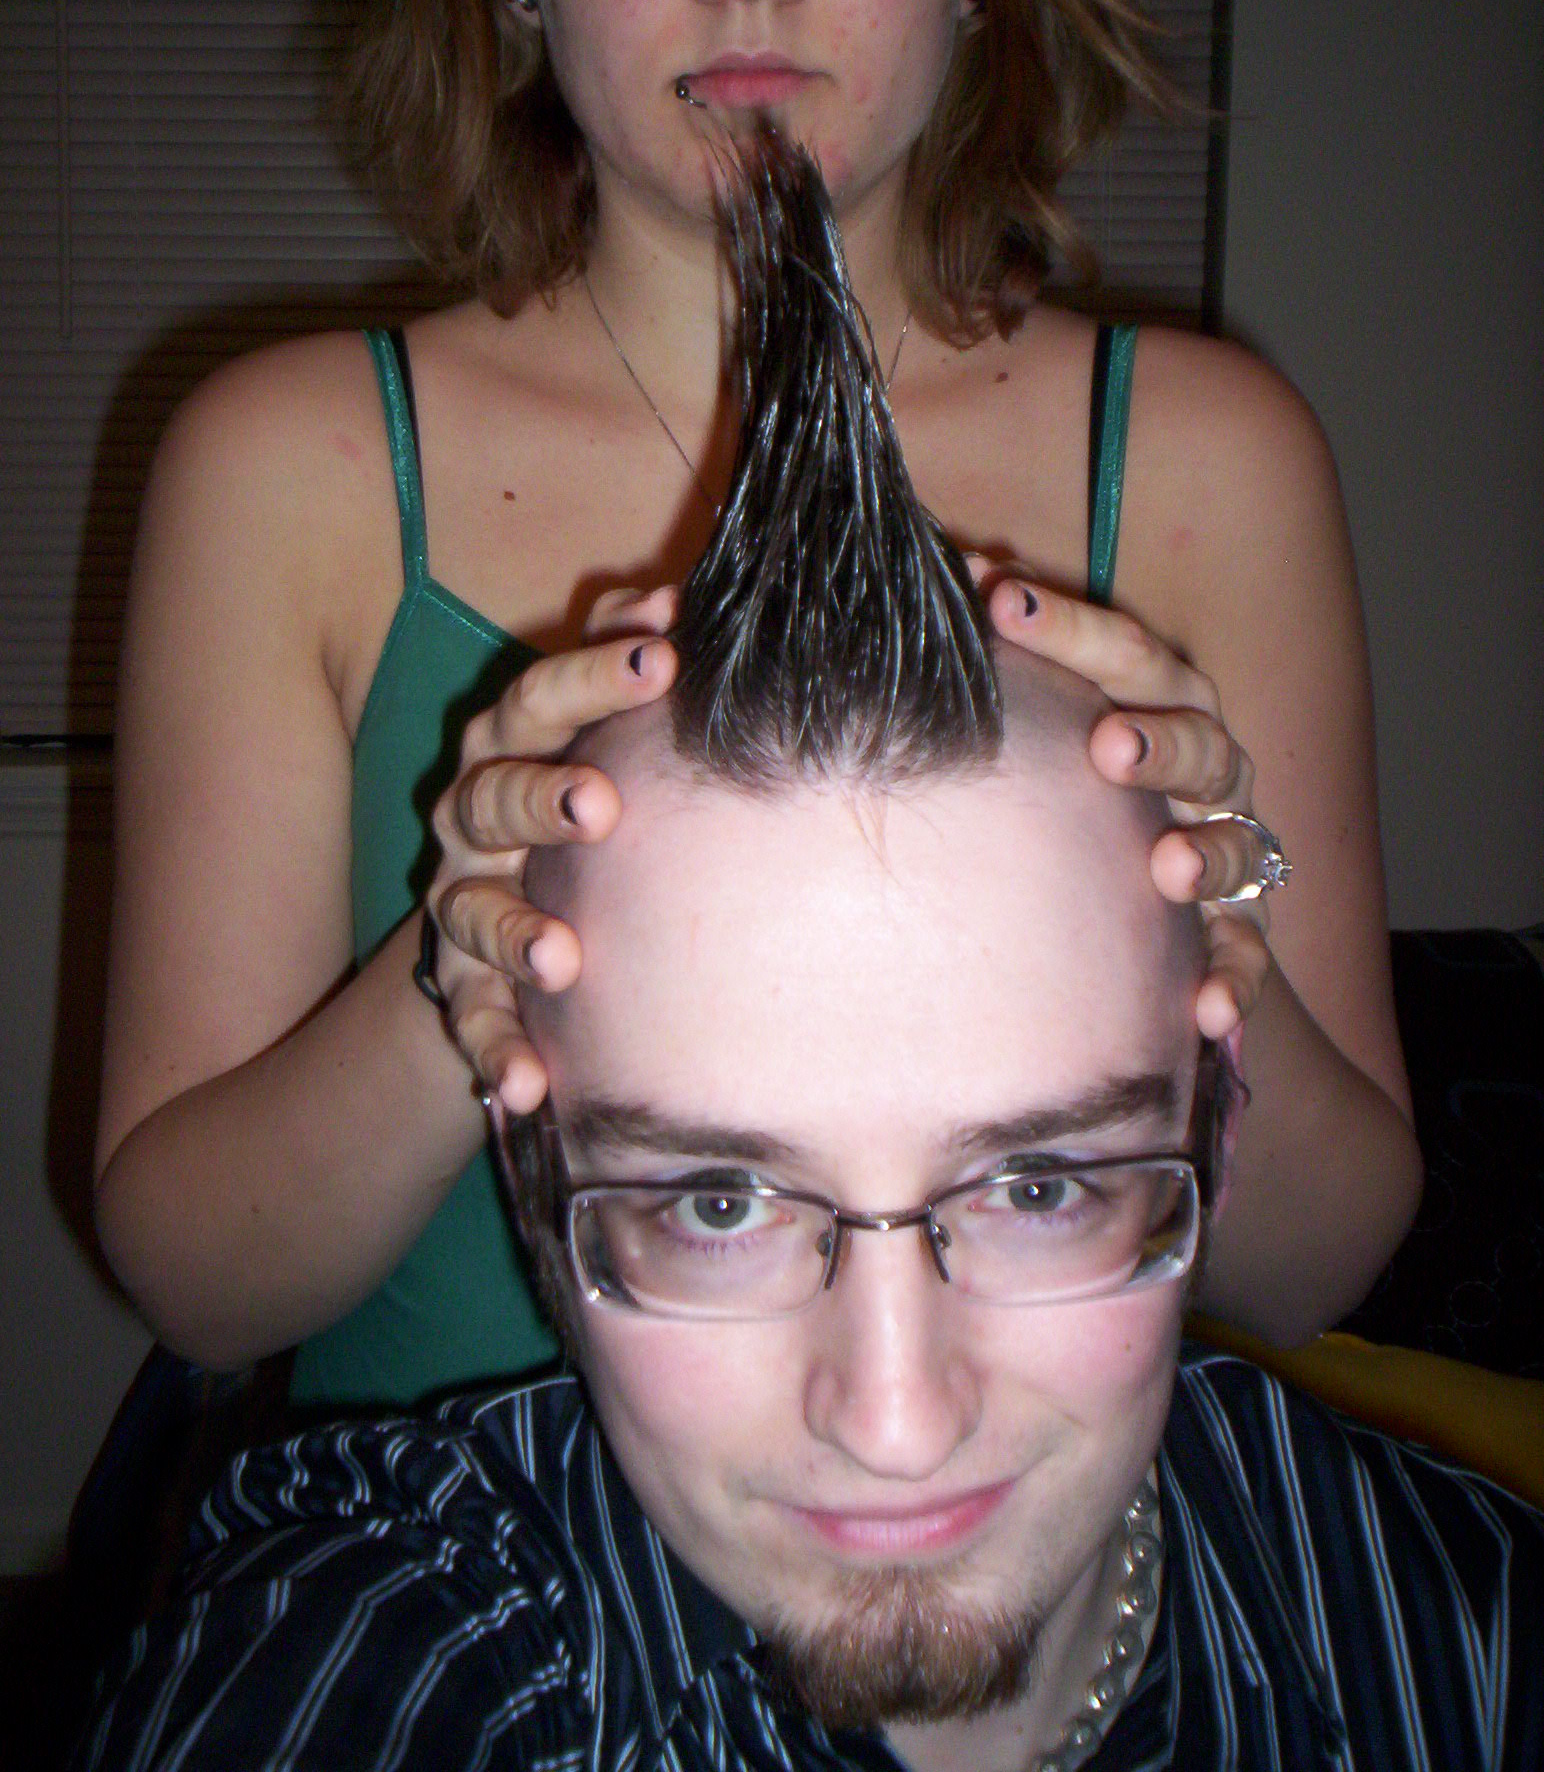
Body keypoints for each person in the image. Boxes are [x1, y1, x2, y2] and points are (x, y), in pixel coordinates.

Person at [75, 145, 1538, 1772]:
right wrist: (462, 955)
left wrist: (1229, 916)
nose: (896, 1427)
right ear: (535, 1176)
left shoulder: (1457, 1633)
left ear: (1203, 1132)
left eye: (1041, 1183)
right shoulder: (403, 1653)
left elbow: (1322, 1251)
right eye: (715, 1201)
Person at [92, 0, 1420, 1413]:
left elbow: (1312, 1274)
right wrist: (468, 963)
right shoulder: (292, 469)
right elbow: (200, 1287)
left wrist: (1206, 939)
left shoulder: (1209, 464)